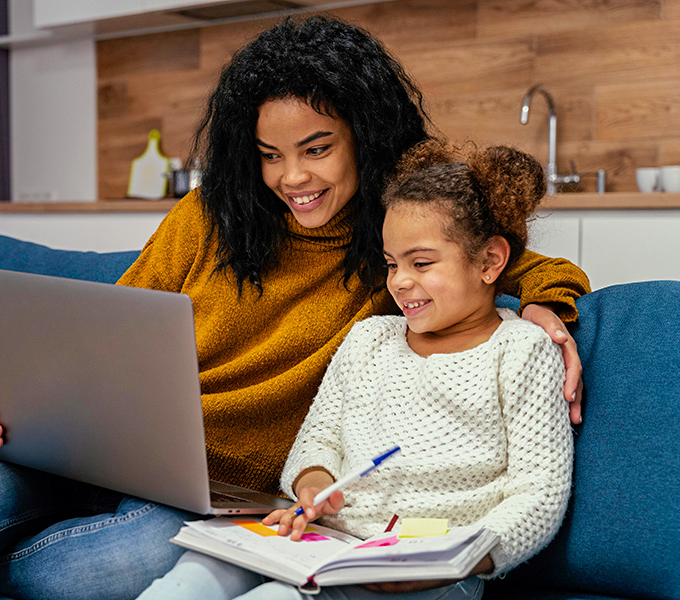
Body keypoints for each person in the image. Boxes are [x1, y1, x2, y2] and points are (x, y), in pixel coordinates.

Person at [0, 16, 588, 600]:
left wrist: (549, 308)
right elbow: (101, 333)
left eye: (318, 148)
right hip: (84, 441)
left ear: (366, 135)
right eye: (269, 155)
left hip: (209, 494)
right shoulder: (208, 216)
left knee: (84, 579)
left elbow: (517, 258)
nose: (292, 177)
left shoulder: (394, 245)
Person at [135, 142, 574, 600]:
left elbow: (538, 497)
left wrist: (453, 558)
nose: (400, 280)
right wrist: (313, 486)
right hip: (331, 541)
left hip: (433, 565)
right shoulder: (370, 339)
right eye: (391, 263)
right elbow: (317, 440)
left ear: (489, 262)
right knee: (197, 572)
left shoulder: (522, 350)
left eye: (421, 263)